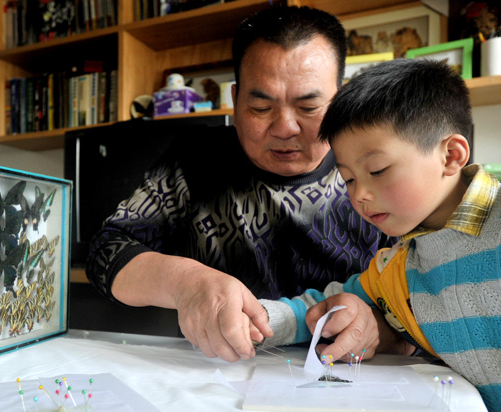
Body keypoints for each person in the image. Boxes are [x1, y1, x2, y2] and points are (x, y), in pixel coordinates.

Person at [86, 6, 396, 363]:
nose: (285, 128)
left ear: (339, 101)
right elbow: (106, 251)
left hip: (349, 379)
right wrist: (186, 282)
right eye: (261, 107)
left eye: (308, 107)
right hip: (215, 373)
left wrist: (380, 331)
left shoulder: (376, 167)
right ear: (234, 100)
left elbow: (428, 290)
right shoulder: (194, 160)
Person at [259, 58, 501, 410]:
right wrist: (255, 319)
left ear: (451, 155)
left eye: (378, 170)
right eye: (349, 179)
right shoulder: (396, 271)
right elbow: (322, 307)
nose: (359, 195)